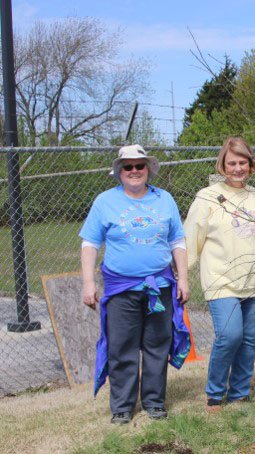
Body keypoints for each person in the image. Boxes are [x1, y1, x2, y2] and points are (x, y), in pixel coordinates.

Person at [80, 144, 190, 424]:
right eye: (127, 166)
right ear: (119, 171)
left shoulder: (164, 199)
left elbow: (177, 241)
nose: (134, 171)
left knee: (156, 345)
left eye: (139, 166)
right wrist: (88, 283)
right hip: (121, 290)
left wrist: (183, 279)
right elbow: (90, 243)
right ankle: (122, 407)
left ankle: (154, 402)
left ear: (148, 169)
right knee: (122, 347)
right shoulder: (105, 201)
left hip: (160, 287)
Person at [184, 137, 255, 411]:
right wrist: (181, 277)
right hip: (221, 280)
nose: (237, 168)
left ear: (251, 165)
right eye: (231, 163)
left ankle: (239, 393)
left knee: (248, 340)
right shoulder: (207, 196)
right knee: (230, 335)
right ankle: (214, 392)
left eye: (242, 162)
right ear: (222, 165)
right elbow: (191, 239)